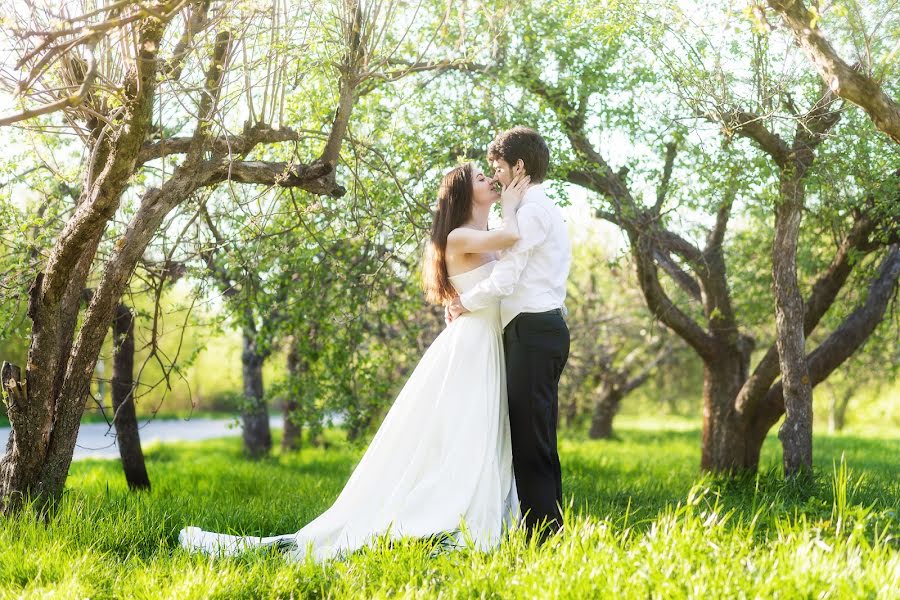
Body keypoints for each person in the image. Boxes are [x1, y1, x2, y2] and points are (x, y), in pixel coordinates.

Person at [179, 162, 531, 562]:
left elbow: (510, 261)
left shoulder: (480, 237)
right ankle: (448, 514)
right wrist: (516, 201)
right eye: (482, 179)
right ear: (465, 194)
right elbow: (513, 235)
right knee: (467, 432)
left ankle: (471, 507)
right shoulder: (459, 236)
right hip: (472, 346)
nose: (491, 181)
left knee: (476, 432)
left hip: (483, 343)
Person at [448, 126, 572, 541]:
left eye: (498, 168)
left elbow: (506, 278)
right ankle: (548, 529)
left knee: (530, 439)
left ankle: (543, 536)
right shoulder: (537, 208)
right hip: (540, 327)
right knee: (537, 434)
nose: (496, 177)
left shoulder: (531, 212)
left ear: (518, 166)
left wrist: (466, 302)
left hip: (533, 330)